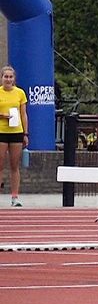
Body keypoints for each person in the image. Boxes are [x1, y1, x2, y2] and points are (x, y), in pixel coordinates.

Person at [0, 65, 29, 207]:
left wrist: (25, 133)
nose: (8, 79)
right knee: (0, 164)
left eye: (11, 77)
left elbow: (23, 114)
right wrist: (2, 116)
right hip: (1, 131)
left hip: (16, 131)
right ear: (1, 78)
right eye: (6, 76)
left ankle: (14, 197)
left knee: (14, 165)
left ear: (14, 79)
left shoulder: (20, 93)